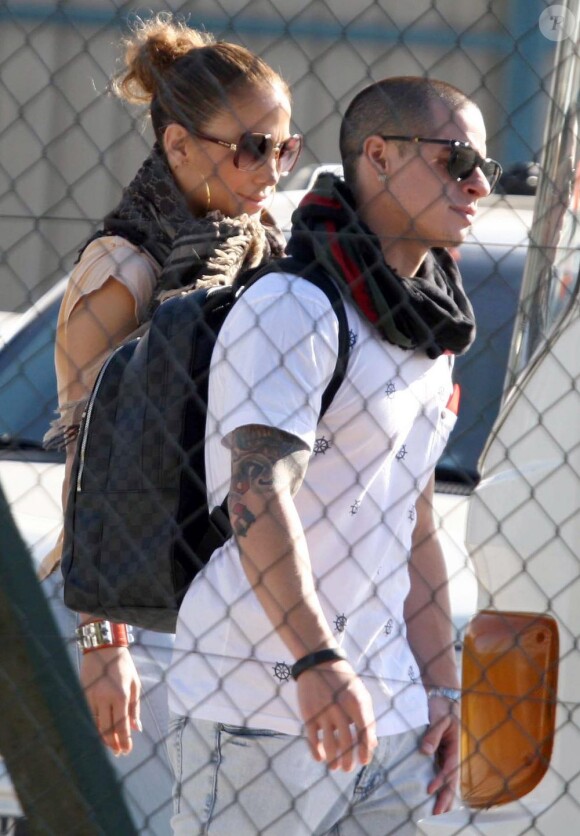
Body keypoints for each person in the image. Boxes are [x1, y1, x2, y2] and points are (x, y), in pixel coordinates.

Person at [167, 75, 502, 834]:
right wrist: (317, 660)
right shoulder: (296, 305)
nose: (479, 183)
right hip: (265, 703)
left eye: (483, 165)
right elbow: (256, 497)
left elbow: (412, 520)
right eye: (458, 160)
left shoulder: (430, 329)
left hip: (392, 709)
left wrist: (440, 688)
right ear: (378, 156)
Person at [40, 14, 300, 833]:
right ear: (180, 145)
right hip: (114, 598)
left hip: (213, 592)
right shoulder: (123, 272)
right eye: (249, 147)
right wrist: (102, 646)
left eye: (283, 147)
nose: (270, 168)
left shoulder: (265, 245)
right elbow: (90, 470)